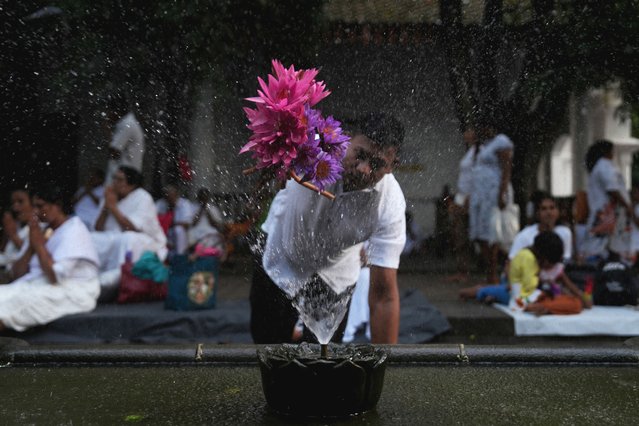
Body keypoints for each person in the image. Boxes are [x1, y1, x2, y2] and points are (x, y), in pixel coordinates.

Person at [250, 113, 406, 344]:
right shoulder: (313, 150)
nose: (364, 169)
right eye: (360, 155)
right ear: (347, 140)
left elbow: (384, 296)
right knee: (267, 349)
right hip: (279, 257)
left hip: (335, 277)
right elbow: (276, 139)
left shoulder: (390, 203)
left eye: (377, 164)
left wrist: (386, 369)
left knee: (324, 364)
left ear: (393, 166)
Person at [0, 185, 100, 332]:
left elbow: (55, 276)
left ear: (57, 206)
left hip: (72, 291)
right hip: (36, 284)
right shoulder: (41, 229)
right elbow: (17, 275)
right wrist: (31, 246)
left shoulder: (74, 230)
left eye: (40, 206)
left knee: (14, 305)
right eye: (34, 206)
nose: (35, 212)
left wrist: (39, 246)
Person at [459, 232, 588, 315]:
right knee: (488, 291)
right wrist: (543, 285)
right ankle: (474, 292)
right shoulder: (528, 258)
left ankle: (490, 296)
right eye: (549, 264)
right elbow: (527, 286)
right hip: (520, 294)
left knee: (574, 303)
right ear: (544, 258)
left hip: (526, 294)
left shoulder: (532, 258)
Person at [92, 166, 167, 297]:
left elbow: (131, 228)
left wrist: (113, 207)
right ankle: (93, 280)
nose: (114, 183)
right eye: (114, 178)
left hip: (146, 241)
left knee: (127, 238)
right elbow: (97, 227)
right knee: (92, 238)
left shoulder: (142, 197)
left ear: (131, 185)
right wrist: (106, 206)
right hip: (114, 237)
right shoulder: (109, 197)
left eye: (120, 180)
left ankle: (118, 283)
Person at [468, 113, 514, 284]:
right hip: (480, 194)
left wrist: (502, 193)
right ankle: (490, 273)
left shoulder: (501, 141)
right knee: (479, 234)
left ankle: (494, 274)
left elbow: (506, 169)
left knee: (492, 233)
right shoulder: (482, 146)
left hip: (494, 193)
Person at [581, 140, 634, 263]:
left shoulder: (600, 166)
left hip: (605, 212)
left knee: (602, 245)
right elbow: (612, 189)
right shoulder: (604, 166)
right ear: (607, 152)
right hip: (608, 213)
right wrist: (628, 207)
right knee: (602, 244)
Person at [446, 126, 479, 282]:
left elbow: (476, 178)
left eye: (469, 131)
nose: (466, 134)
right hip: (462, 196)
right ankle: (462, 271)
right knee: (458, 236)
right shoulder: (470, 152)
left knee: (465, 236)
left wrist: (469, 198)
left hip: (469, 198)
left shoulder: (479, 153)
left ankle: (467, 271)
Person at [508, 192, 572, 264]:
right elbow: (510, 263)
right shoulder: (524, 236)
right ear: (537, 213)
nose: (549, 212)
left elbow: (565, 261)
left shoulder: (565, 232)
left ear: (558, 212)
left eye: (552, 208)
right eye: (544, 209)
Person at [0, 188, 39, 283]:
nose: (15, 208)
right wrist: (7, 233)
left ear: (33, 204)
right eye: (13, 203)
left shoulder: (40, 227)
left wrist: (13, 235)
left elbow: (32, 256)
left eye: (20, 202)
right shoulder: (15, 224)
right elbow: (3, 251)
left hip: (17, 277)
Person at [105, 96, 145, 183]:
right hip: (126, 175)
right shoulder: (127, 123)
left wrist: (107, 128)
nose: (108, 114)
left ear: (116, 111)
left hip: (125, 178)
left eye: (109, 111)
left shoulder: (127, 124)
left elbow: (113, 152)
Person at [155, 184, 193, 257]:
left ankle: (180, 255)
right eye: (167, 196)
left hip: (179, 232)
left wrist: (170, 223)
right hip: (164, 230)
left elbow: (187, 224)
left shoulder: (184, 204)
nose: (169, 199)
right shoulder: (161, 203)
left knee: (178, 230)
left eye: (171, 196)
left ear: (176, 195)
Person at [188, 188, 226, 258]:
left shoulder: (213, 208)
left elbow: (216, 225)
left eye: (205, 197)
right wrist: (200, 210)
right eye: (201, 197)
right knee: (191, 236)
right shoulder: (192, 207)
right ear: (198, 198)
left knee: (213, 238)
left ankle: (203, 254)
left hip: (209, 230)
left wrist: (207, 211)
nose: (203, 199)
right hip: (196, 230)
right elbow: (193, 224)